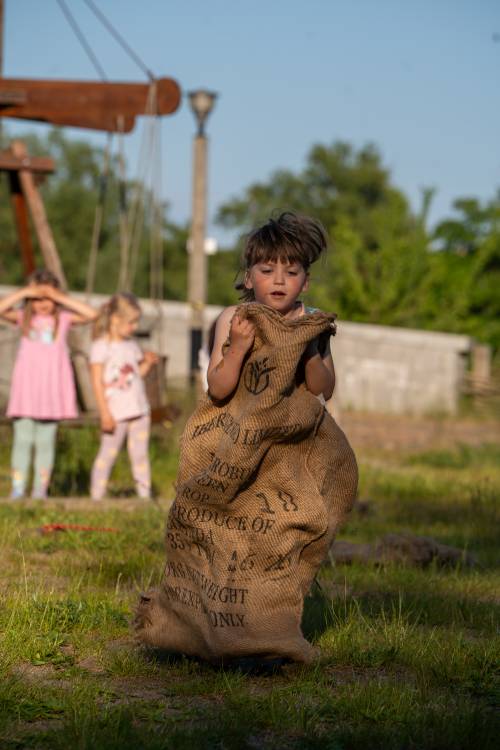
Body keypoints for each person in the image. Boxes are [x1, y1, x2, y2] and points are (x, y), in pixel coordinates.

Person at [207, 211, 335, 402]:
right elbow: (217, 390)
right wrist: (237, 348)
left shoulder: (312, 323)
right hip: (244, 428)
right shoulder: (234, 319)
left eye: (291, 272)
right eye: (267, 271)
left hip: (297, 429)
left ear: (305, 282)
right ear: (249, 278)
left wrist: (310, 350)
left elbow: (324, 392)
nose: (279, 280)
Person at [0, 269, 98, 500]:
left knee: (45, 443)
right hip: (26, 393)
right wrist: (26, 291)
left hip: (51, 394)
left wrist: (59, 297)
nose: (43, 303)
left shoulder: (63, 319)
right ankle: (17, 489)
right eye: (38, 298)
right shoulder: (24, 317)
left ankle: (40, 491)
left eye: (48, 298)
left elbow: (92, 314)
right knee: (22, 441)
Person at [89, 292, 159, 501]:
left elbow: (136, 375)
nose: (135, 327)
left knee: (140, 455)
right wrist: (104, 413)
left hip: (139, 410)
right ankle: (96, 497)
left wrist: (147, 363)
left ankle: (144, 496)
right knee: (107, 455)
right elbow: (96, 382)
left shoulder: (131, 345)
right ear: (115, 320)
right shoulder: (101, 347)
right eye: (131, 322)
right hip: (115, 412)